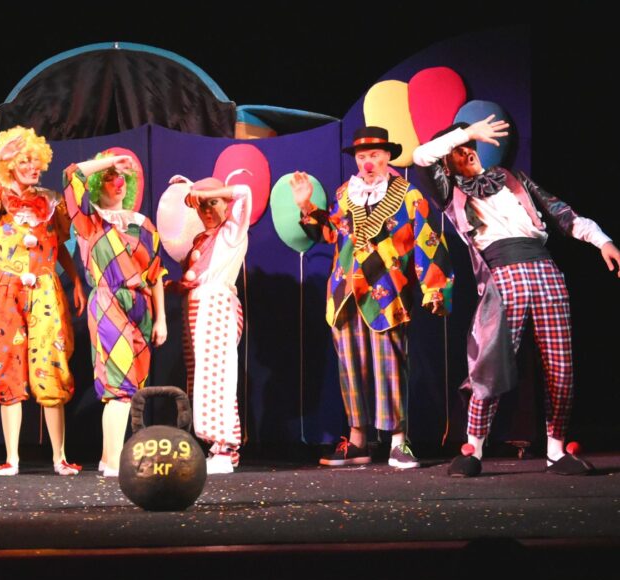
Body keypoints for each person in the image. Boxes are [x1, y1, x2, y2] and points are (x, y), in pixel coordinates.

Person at [413, 115, 619, 476]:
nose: (468, 151)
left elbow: (562, 214)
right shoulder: (450, 191)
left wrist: (602, 241)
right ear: (447, 160)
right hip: (503, 276)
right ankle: (474, 449)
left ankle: (556, 450)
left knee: (561, 366)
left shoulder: (513, 179)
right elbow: (420, 156)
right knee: (489, 365)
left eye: (470, 147)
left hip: (545, 270)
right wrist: (466, 132)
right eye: (459, 149)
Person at [290, 126, 453, 469]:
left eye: (375, 155)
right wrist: (306, 206)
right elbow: (330, 233)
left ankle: (398, 442)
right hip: (344, 293)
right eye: (362, 156)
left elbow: (427, 240)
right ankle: (358, 441)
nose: (367, 162)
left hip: (386, 292)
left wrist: (434, 287)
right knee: (350, 368)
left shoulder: (408, 195)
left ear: (388, 156)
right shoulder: (344, 194)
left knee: (390, 367)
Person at [0, 127, 86, 475]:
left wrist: (76, 279)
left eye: (35, 161)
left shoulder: (51, 201)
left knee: (51, 367)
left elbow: (58, 244)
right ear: (10, 165)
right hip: (6, 292)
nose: (32, 167)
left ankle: (59, 457)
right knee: (7, 369)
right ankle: (12, 459)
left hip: (45, 289)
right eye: (24, 161)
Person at [62, 152, 167, 477]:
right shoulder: (90, 221)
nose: (118, 182)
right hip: (108, 303)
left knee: (129, 389)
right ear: (97, 185)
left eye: (121, 177)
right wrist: (109, 163)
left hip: (142, 307)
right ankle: (114, 462)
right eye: (109, 179)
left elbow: (155, 273)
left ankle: (109, 459)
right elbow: (71, 174)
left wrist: (161, 319)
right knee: (119, 387)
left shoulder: (143, 224)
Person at [171, 174, 252, 473]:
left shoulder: (231, 231)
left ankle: (226, 446)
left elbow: (244, 192)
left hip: (217, 304)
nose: (206, 209)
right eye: (201, 204)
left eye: (213, 202)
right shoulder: (201, 239)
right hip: (196, 305)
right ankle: (217, 447)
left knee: (218, 375)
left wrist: (207, 193)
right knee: (202, 378)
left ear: (224, 202)